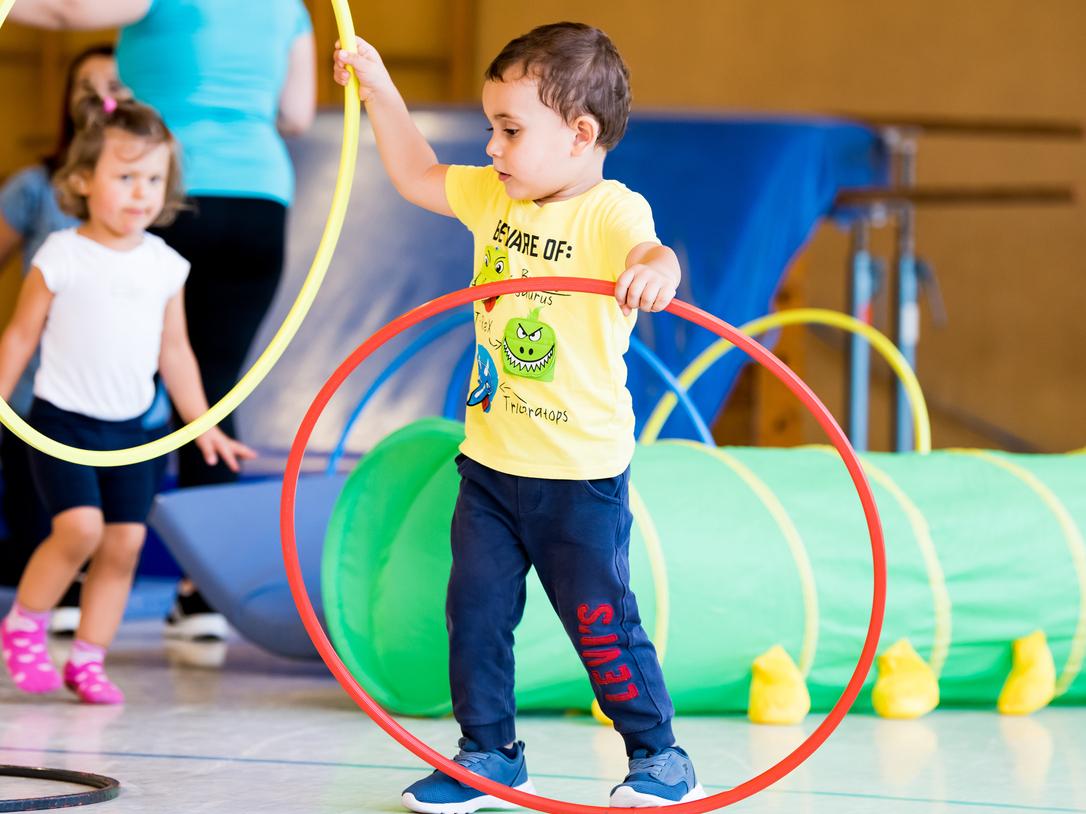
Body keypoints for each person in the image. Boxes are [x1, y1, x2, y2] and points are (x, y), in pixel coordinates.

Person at [334, 22, 705, 811]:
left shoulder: (608, 210)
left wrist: (654, 274)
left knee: (602, 623)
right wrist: (378, 85)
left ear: (579, 134)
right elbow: (413, 172)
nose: (493, 149)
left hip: (579, 479)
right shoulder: (493, 198)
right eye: (489, 129)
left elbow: (652, 252)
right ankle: (490, 753)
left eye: (509, 130)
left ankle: (659, 754)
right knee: (473, 615)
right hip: (492, 466)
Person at [10, 0, 316, 641]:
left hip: (167, 185)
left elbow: (66, 12)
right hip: (261, 200)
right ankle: (201, 594)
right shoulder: (290, 7)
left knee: (112, 372)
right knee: (211, 394)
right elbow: (297, 114)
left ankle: (70, 568)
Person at [0, 96, 254, 704]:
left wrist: (204, 423)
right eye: (124, 177)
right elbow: (20, 334)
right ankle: (24, 625)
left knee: (125, 543)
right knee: (80, 528)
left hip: (136, 431)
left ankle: (88, 658)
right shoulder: (60, 253)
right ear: (84, 181)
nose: (140, 192)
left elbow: (178, 354)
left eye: (152, 179)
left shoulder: (166, 266)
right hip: (61, 423)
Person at [0, 44, 130, 633]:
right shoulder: (34, 188)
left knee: (117, 529)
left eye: (116, 84)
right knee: (55, 525)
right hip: (40, 399)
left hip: (120, 401)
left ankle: (87, 643)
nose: (103, 94)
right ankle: (38, 615)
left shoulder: (146, 199)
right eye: (88, 85)